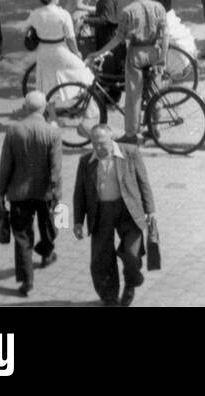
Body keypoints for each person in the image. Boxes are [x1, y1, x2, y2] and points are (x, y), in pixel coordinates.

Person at [72, 124, 157, 306]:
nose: (99, 148)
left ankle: (131, 282)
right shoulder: (86, 161)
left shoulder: (130, 152)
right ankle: (110, 297)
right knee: (101, 258)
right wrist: (78, 221)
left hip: (128, 211)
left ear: (112, 140)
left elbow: (144, 182)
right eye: (94, 143)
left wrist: (150, 210)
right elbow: (79, 193)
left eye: (102, 143)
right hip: (101, 212)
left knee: (132, 256)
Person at [0, 91, 64, 297]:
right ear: (44, 109)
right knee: (48, 226)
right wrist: (57, 194)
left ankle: (27, 280)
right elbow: (56, 168)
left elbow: (5, 166)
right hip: (44, 193)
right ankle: (46, 252)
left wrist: (0, 194)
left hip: (19, 193)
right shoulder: (53, 132)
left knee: (23, 237)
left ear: (26, 107)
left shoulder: (14, 130)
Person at [97, 0, 168, 143]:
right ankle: (155, 128)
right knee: (155, 92)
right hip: (154, 52)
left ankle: (131, 133)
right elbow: (165, 35)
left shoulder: (128, 11)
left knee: (133, 95)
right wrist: (162, 57)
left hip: (136, 53)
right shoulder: (159, 7)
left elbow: (118, 39)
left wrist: (100, 52)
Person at [27, 0, 92, 96]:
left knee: (46, 83)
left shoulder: (35, 14)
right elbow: (71, 38)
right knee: (83, 70)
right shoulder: (63, 14)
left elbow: (26, 28)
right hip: (60, 51)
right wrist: (76, 53)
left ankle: (50, 111)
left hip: (43, 52)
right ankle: (79, 97)